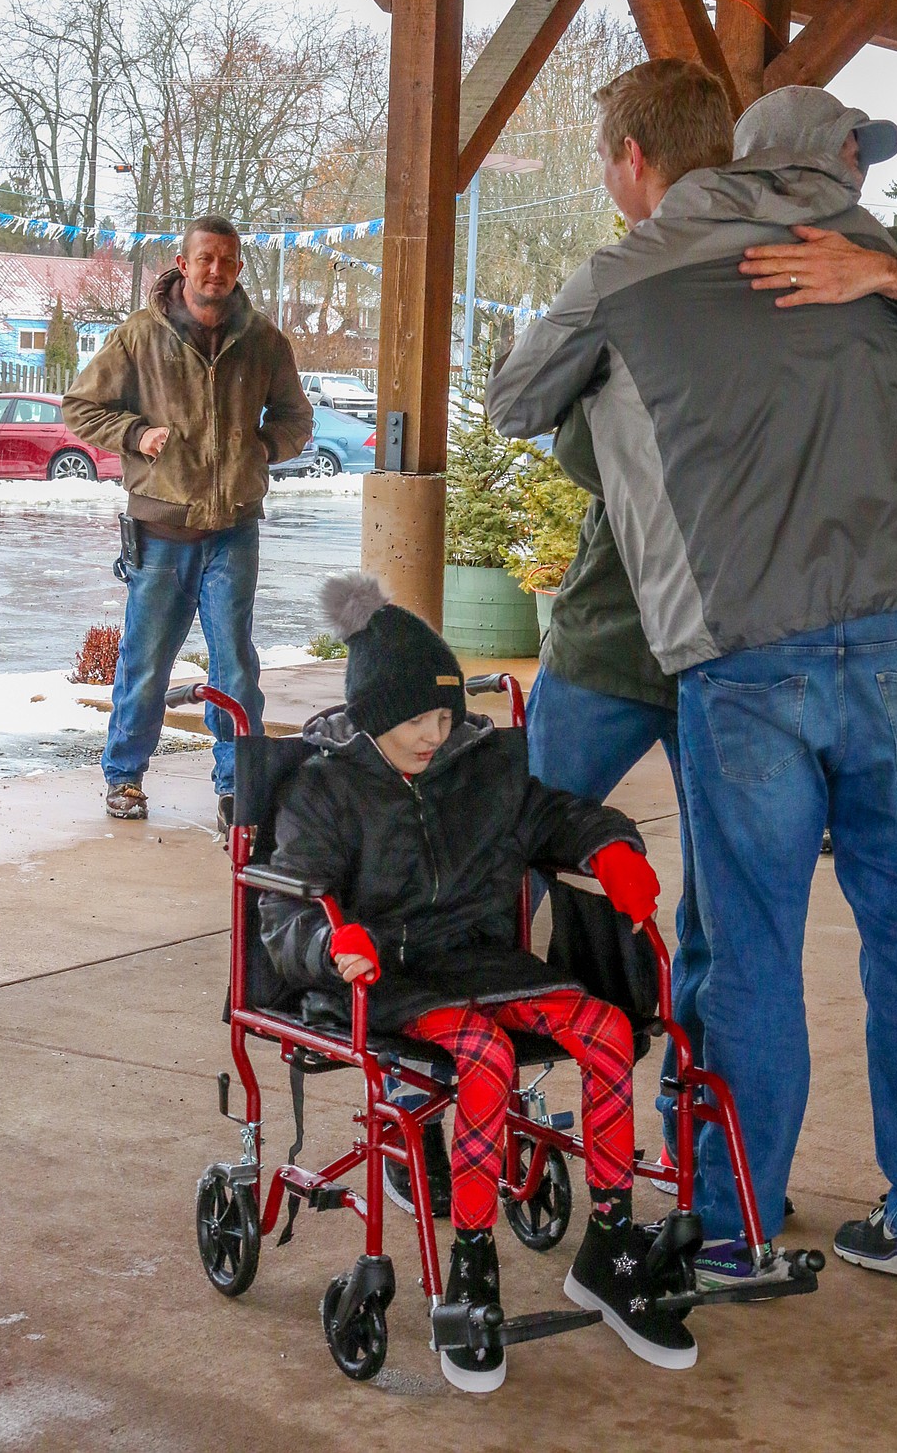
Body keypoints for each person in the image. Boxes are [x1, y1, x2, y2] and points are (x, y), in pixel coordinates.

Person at [488, 62, 897, 1290]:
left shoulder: (635, 270)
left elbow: (515, 402)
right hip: (894, 643)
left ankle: (736, 1228)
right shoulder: (876, 266)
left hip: (746, 647)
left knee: (753, 944)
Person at [259, 572, 697, 1392]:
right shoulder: (324, 789)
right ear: (374, 714)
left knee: (606, 1028)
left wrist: (610, 847)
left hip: (484, 962)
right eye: (417, 719)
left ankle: (609, 1242)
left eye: (445, 714)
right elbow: (287, 915)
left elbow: (554, 816)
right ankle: (470, 1263)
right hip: (390, 979)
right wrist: (332, 942)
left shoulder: (481, 766)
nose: (436, 732)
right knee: (487, 1058)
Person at [62, 215, 312, 827]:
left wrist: (262, 449)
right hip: (160, 533)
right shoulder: (138, 338)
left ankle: (236, 786)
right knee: (146, 663)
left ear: (238, 268)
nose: (216, 271)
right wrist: (134, 432)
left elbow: (296, 419)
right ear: (182, 262)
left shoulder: (264, 343)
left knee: (235, 667)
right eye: (205, 259)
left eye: (227, 261)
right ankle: (124, 776)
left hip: (233, 531)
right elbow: (79, 408)